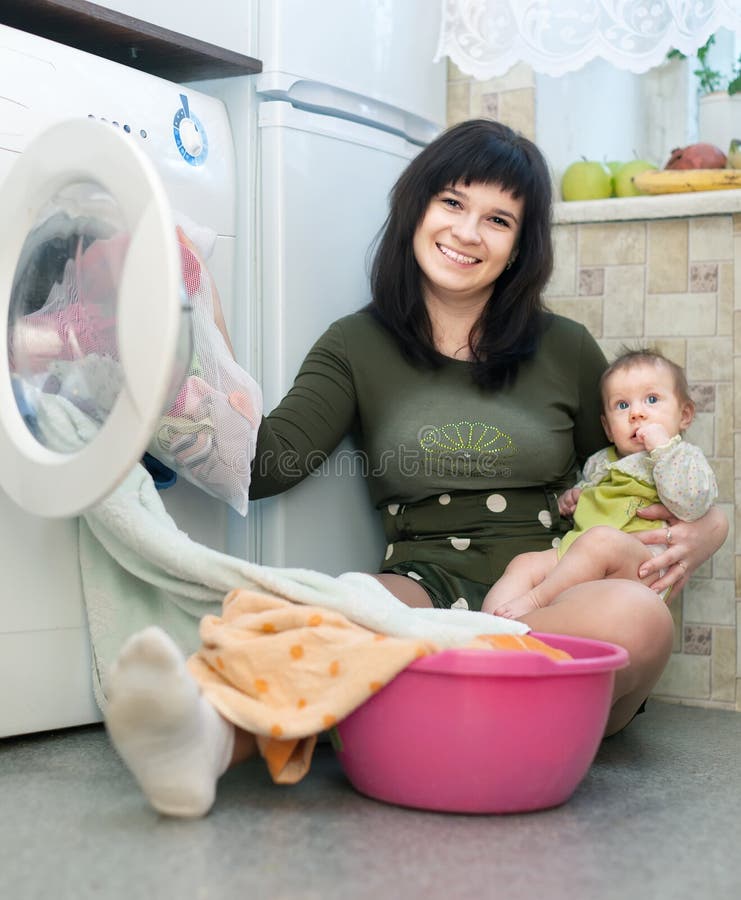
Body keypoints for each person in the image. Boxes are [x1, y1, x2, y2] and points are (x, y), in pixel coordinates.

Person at [104, 119, 728, 817]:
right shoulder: (355, 344)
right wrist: (177, 338)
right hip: (422, 587)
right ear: (416, 206)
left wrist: (714, 525)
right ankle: (207, 741)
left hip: (551, 594)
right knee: (323, 609)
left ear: (521, 245)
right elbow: (261, 467)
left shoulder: (567, 348)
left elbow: (642, 460)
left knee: (637, 615)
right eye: (452, 203)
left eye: (498, 219)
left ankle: (422, 696)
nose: (468, 232)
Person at [482, 349, 717, 620]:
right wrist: (572, 499)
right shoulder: (600, 462)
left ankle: (535, 600)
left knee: (601, 540)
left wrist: (663, 450)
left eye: (651, 400)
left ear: (685, 414)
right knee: (524, 564)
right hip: (580, 556)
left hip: (642, 566)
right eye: (622, 405)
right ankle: (490, 629)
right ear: (607, 428)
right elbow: (590, 500)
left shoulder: (683, 457)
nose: (636, 414)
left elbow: (692, 505)